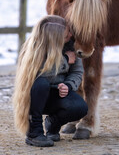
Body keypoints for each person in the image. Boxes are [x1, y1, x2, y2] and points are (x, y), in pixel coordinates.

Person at [13, 15, 88, 147]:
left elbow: (77, 72)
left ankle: (53, 124)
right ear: (54, 39)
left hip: (57, 94)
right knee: (41, 83)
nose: (71, 35)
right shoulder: (33, 49)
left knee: (80, 107)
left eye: (69, 31)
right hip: (35, 97)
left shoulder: (70, 46)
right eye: (66, 35)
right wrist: (64, 59)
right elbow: (41, 72)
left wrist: (68, 85)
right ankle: (34, 133)